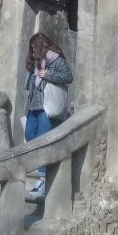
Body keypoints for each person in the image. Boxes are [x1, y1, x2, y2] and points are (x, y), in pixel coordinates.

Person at [25, 32, 73, 197]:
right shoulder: (38, 64)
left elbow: (68, 77)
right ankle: (44, 173)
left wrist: (48, 74)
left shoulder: (57, 60)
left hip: (48, 107)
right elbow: (32, 87)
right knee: (29, 134)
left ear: (40, 46)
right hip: (34, 106)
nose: (32, 51)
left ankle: (44, 180)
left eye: (33, 47)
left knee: (42, 139)